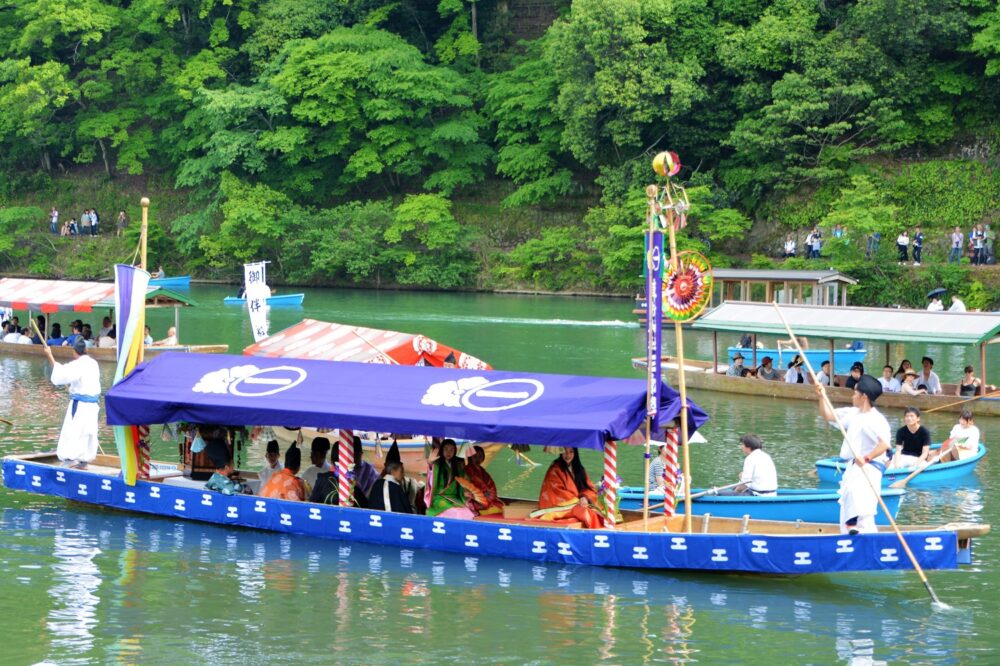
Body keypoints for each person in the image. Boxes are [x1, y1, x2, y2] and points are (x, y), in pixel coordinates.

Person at [816, 375, 890, 534]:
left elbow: (884, 444)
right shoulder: (853, 413)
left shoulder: (877, 419)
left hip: (868, 468)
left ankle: (861, 534)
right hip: (854, 467)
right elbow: (828, 415)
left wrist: (866, 457)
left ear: (864, 397)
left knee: (862, 510)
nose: (852, 395)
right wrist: (821, 396)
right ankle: (849, 535)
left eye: (855, 393)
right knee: (848, 505)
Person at [44, 338, 101, 469]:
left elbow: (60, 375)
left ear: (75, 352)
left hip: (81, 404)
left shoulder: (78, 365)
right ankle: (85, 460)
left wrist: (49, 355)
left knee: (73, 431)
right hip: (93, 405)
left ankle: (70, 459)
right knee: (88, 431)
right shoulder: (93, 363)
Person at [530, 447, 603, 529]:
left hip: (579, 502)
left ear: (575, 453)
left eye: (571, 452)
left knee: (596, 512)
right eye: (565, 452)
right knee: (586, 513)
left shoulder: (579, 469)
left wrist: (584, 497)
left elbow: (589, 488)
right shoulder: (555, 469)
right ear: (561, 452)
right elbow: (555, 491)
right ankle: (591, 534)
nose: (568, 455)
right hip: (564, 505)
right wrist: (577, 500)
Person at [424, 439, 475, 518]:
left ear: (455, 451)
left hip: (454, 497)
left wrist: (465, 491)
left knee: (466, 512)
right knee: (454, 511)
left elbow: (464, 482)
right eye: (446, 449)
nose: (449, 452)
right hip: (439, 496)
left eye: (452, 450)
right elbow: (431, 476)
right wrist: (430, 463)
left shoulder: (458, 465)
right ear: (442, 450)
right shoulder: (436, 464)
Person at [463, 445, 504, 516]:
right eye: (475, 456)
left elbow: (491, 485)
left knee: (500, 505)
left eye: (480, 456)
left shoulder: (482, 471)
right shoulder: (466, 470)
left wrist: (489, 495)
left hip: (486, 497)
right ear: (470, 457)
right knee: (477, 506)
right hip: (473, 498)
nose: (478, 459)